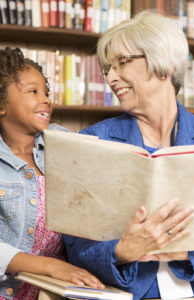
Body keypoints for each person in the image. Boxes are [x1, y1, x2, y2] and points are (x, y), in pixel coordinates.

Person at [64, 11, 194, 300]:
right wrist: (121, 251)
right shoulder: (94, 141)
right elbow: (75, 242)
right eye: (107, 69)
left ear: (165, 64)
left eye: (122, 62)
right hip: (127, 292)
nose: (111, 78)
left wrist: (185, 252)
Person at [0, 47, 104, 300]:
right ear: (2, 104)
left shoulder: (63, 143)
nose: (46, 99)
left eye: (46, 92)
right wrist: (52, 266)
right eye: (33, 92)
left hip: (51, 293)